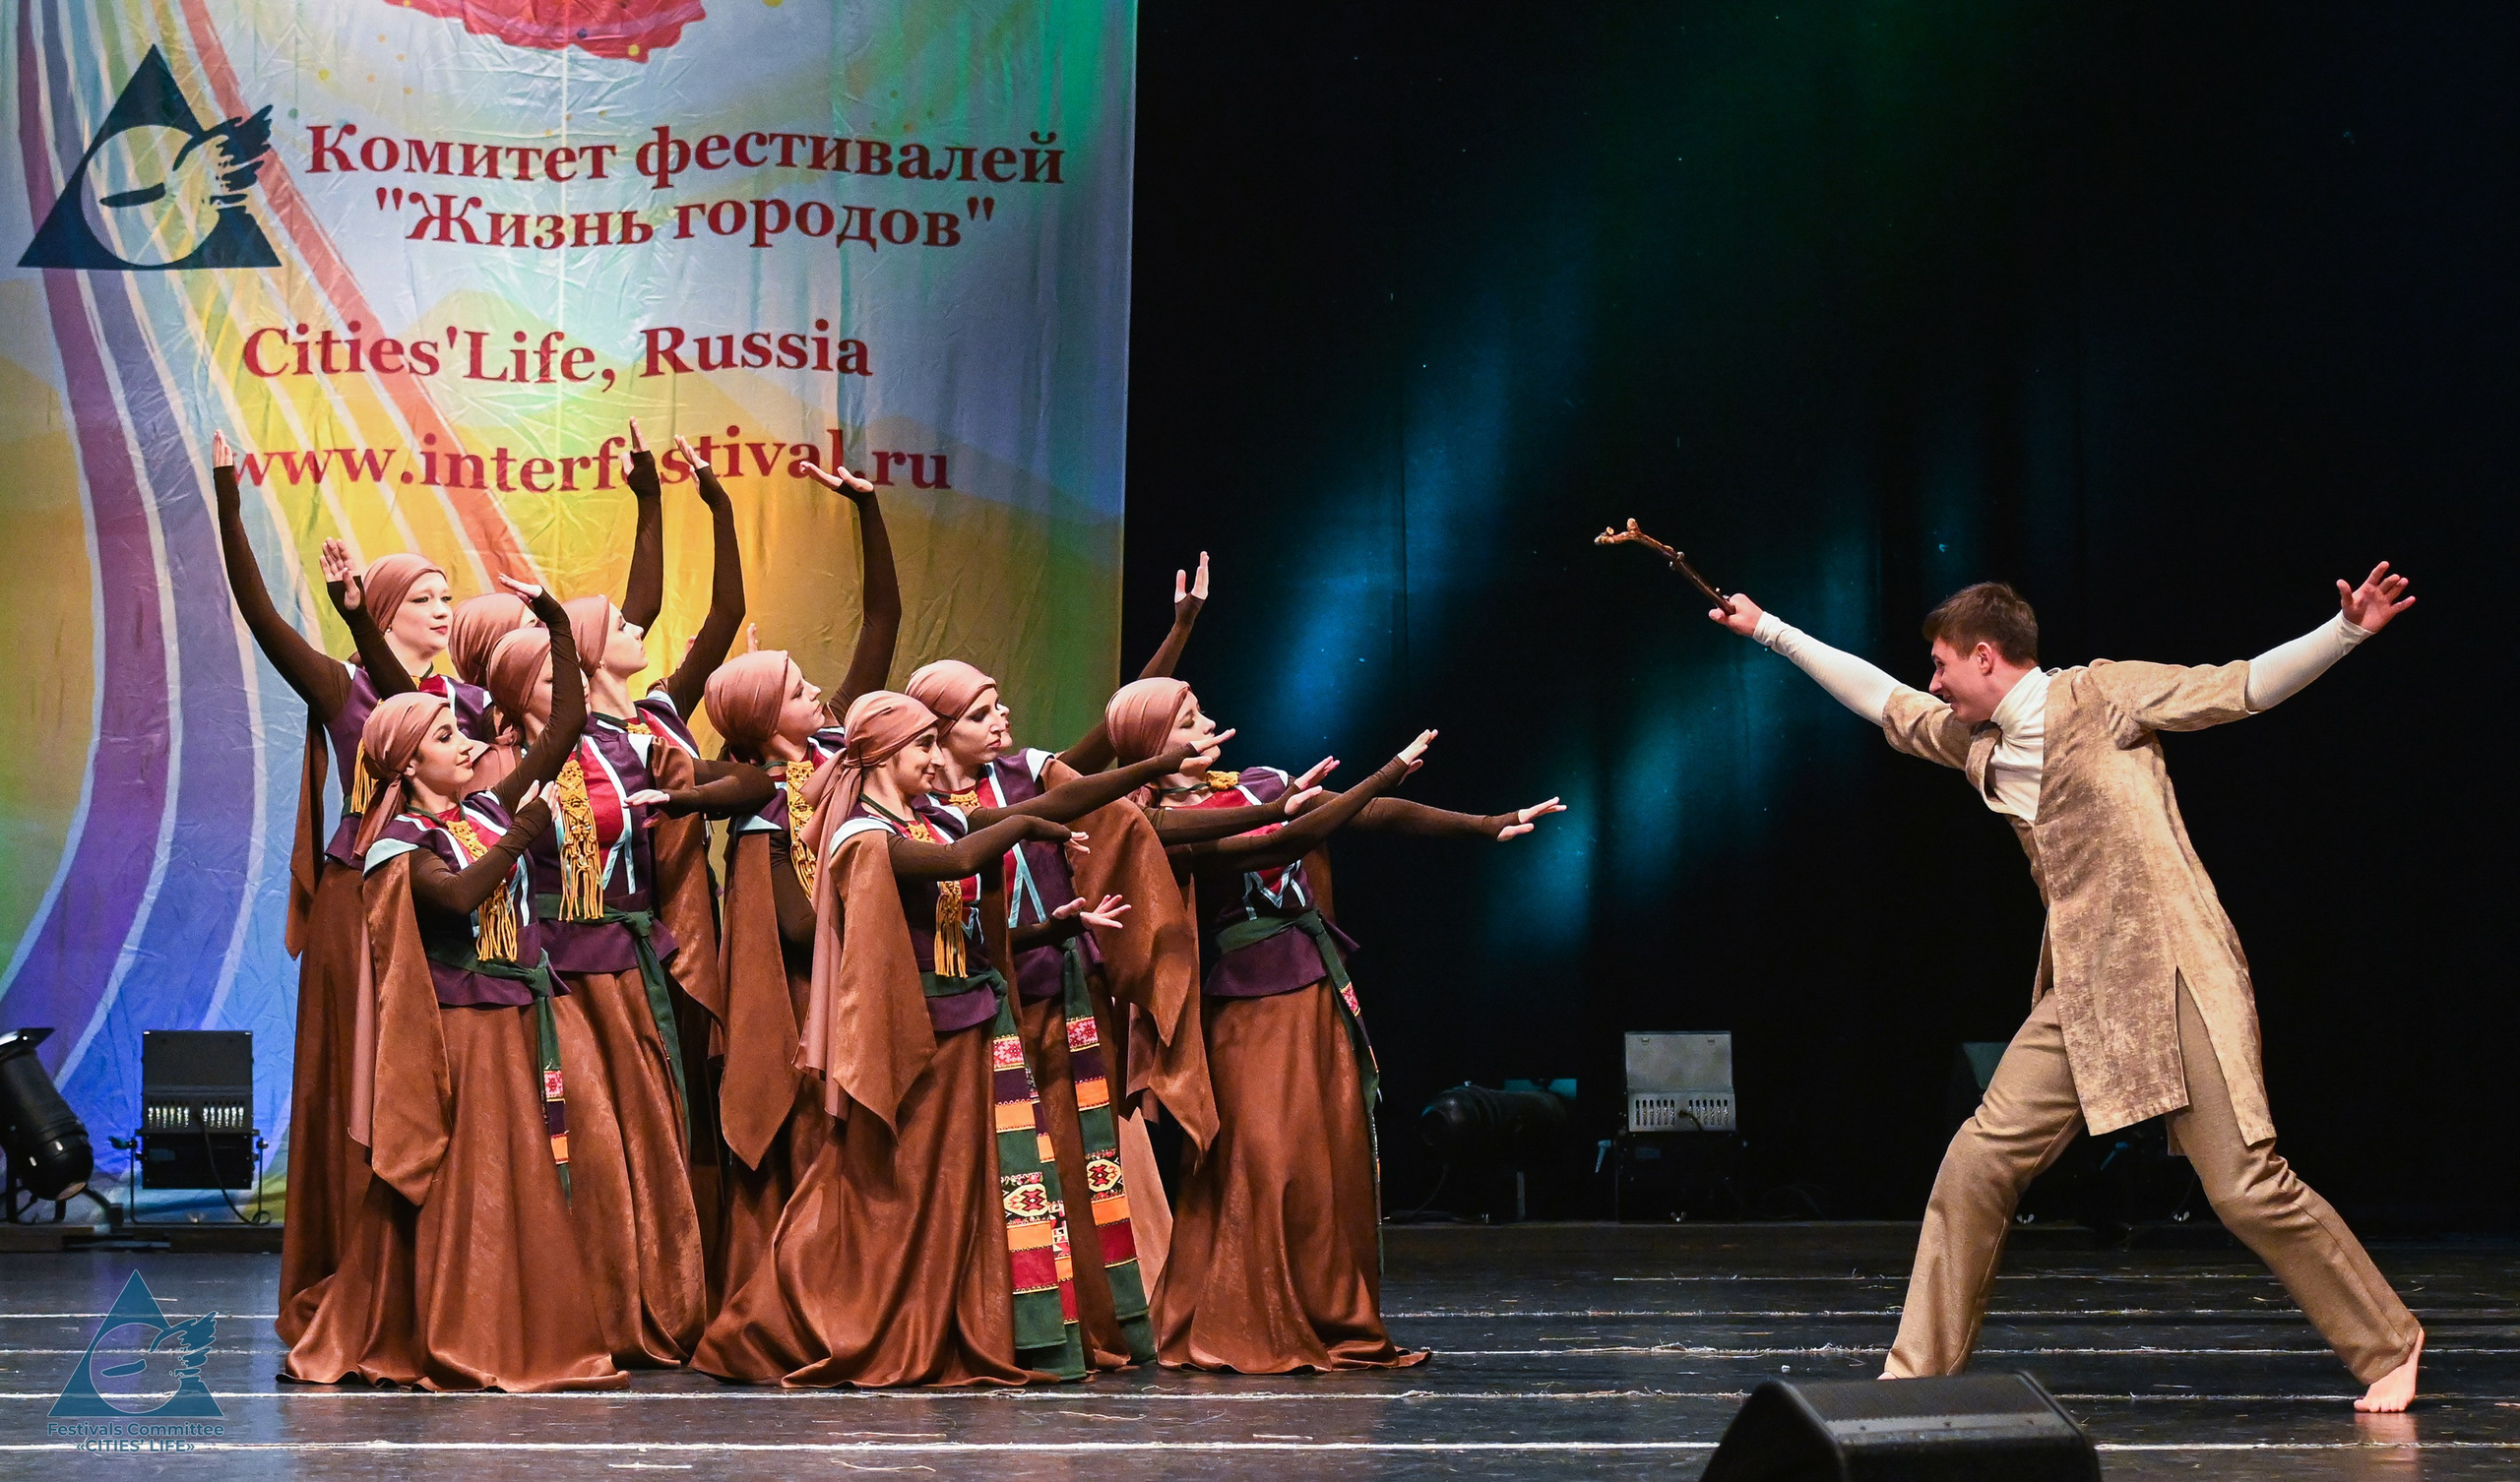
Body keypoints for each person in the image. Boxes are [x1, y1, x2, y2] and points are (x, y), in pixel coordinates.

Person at [1708, 565, 2425, 1411]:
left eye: (1942, 665)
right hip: (2083, 992)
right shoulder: (1972, 740)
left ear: (1986, 657)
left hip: (2173, 965)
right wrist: (1768, 629)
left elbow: (2241, 689)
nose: (1933, 683)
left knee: (2243, 1184)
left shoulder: (2102, 697)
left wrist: (2346, 632)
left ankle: (2389, 1343)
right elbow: (1881, 698)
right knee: (1978, 1161)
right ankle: (1914, 1377)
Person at [692, 694, 1216, 1387]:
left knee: (975, 1198)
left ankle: (973, 1323)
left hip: (972, 1028)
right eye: (924, 748)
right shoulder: (860, 835)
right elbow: (959, 860)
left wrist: (1056, 920)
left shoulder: (932, 818)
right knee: (899, 1197)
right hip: (912, 1044)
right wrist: (1028, 821)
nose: (938, 761)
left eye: (939, 746)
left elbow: (999, 851)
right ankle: (801, 1317)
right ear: (882, 756)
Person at [1104, 681, 1561, 1374]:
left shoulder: (1255, 781)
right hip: (1245, 1002)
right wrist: (1380, 768)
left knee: (1326, 1159)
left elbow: (1363, 815)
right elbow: (1296, 833)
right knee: (1262, 1160)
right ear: (1150, 744)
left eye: (1203, 711)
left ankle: (1322, 1312)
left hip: (1314, 987)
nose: (1210, 726)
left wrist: (1482, 824)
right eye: (1189, 721)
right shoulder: (1157, 825)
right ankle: (1236, 1314)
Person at [282, 581, 623, 1391]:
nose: (470, 746)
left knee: (518, 1191)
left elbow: (566, 726)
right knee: (459, 1193)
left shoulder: (484, 810)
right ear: (409, 761)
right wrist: (529, 835)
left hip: (508, 1029)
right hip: (456, 1041)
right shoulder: (403, 843)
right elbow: (460, 895)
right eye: (447, 739)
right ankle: (440, 1324)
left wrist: (553, 627)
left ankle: (508, 1321)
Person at [211, 430, 495, 1341]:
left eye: (449, 596)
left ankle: (447, 1278)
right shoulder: (344, 691)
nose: (444, 609)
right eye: (425, 598)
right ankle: (355, 1270)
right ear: (380, 608)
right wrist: (228, 495)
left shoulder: (471, 707)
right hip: (358, 901)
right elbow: (257, 614)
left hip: (444, 897)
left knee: (445, 1078)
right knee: (361, 1080)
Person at [482, 620, 770, 1368]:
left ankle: (660, 1309)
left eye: (569, 678)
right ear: (515, 699)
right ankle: (587, 1318)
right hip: (554, 975)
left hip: (627, 968)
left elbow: (758, 782)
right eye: (550, 682)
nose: (569, 694)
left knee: (650, 1138)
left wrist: (687, 802)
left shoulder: (627, 747)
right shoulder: (497, 767)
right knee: (593, 1147)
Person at [701, 451, 896, 1308]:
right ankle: (794, 1294)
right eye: (793, 687)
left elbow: (882, 621)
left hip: (848, 977)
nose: (818, 689)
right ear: (757, 717)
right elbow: (785, 927)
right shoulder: (755, 805)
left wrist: (868, 512)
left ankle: (855, 1288)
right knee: (804, 1142)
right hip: (801, 994)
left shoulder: (838, 752)